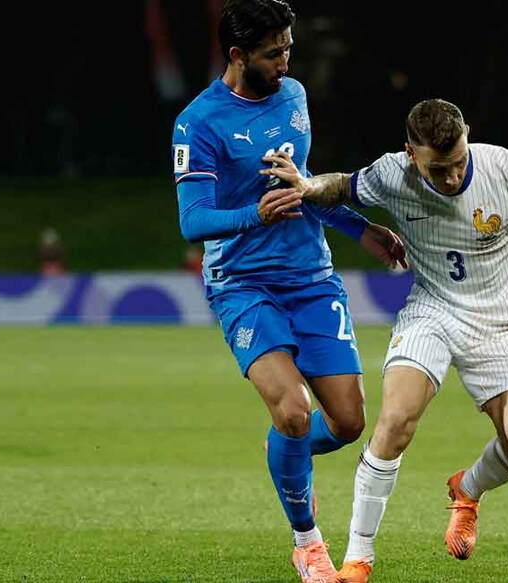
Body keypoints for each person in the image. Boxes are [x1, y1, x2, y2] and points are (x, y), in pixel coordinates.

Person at [261, 98, 508, 582]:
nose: (452, 177)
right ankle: (358, 557)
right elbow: (342, 186)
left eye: (457, 163)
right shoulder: (393, 174)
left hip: (505, 323)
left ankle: (467, 490)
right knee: (395, 420)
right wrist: (307, 186)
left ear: (467, 136)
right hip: (432, 311)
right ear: (411, 154)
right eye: (439, 169)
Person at [169, 2, 408, 581]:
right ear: (237, 55)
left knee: (349, 422)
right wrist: (254, 214)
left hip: (310, 278)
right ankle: (308, 544)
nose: (285, 61)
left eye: (288, 49)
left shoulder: (294, 97)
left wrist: (361, 228)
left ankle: (288, 456)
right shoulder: (197, 123)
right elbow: (193, 220)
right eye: (273, 53)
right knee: (294, 411)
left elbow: (300, 184)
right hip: (243, 285)